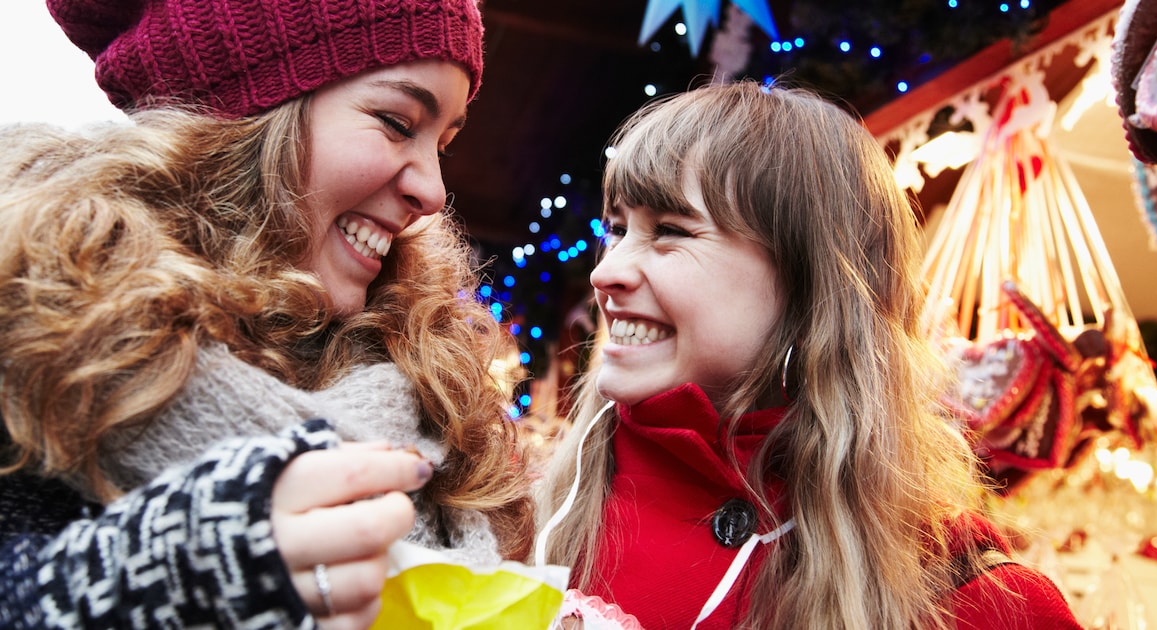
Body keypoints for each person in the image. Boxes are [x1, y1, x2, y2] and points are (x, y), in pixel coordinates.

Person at [0, 0, 533, 627]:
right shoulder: (33, 340)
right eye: (396, 122)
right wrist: (166, 574)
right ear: (243, 115)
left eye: (442, 142)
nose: (433, 191)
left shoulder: (436, 388)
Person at [536, 81, 1082, 629]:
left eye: (671, 230)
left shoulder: (977, 601)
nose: (604, 273)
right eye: (617, 229)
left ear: (809, 282)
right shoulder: (520, 510)